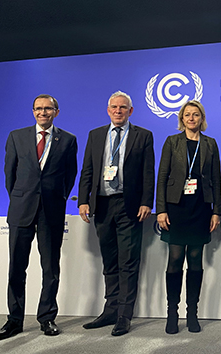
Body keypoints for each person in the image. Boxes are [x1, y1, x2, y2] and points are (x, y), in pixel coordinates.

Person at [0, 94, 77, 340]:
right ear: (33, 112)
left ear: (56, 112)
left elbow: (69, 176)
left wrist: (58, 197)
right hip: (21, 209)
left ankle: (47, 317)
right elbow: (10, 174)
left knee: (50, 268)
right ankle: (14, 320)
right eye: (38, 109)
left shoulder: (68, 140)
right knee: (16, 268)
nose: (43, 112)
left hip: (51, 210)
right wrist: (20, 198)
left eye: (48, 109)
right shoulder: (16, 136)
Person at [78, 91, 155, 336]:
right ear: (108, 110)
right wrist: (83, 200)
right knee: (110, 261)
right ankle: (110, 310)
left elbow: (148, 173)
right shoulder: (96, 134)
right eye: (114, 107)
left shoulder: (143, 135)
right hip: (101, 204)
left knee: (128, 261)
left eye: (123, 107)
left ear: (130, 111)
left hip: (129, 205)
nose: (118, 111)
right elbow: (87, 170)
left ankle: (124, 315)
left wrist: (146, 202)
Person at [156, 100, 221, 334]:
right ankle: (171, 313)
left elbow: (216, 179)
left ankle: (192, 312)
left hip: (201, 208)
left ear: (202, 118)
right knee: (175, 259)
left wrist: (217, 211)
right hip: (175, 208)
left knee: (195, 260)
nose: (191, 118)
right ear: (182, 119)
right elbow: (162, 177)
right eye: (187, 115)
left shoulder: (210, 144)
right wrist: (160, 209)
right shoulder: (172, 142)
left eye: (196, 115)